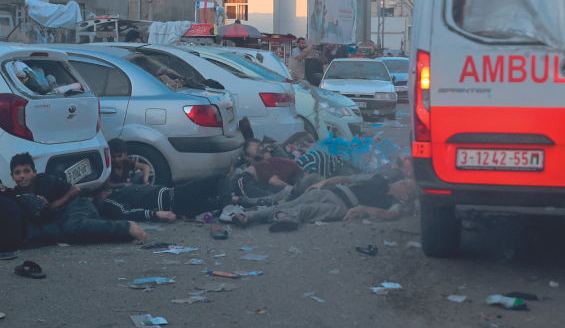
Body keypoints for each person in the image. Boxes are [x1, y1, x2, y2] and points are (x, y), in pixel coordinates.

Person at [4, 153, 146, 245]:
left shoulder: (44, 180)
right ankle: (121, 233)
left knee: (74, 227)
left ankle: (127, 227)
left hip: (78, 205)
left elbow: (76, 190)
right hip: (62, 219)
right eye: (17, 173)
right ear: (12, 176)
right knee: (63, 234)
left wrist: (51, 206)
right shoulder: (17, 195)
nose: (22, 176)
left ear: (34, 172)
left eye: (26, 171)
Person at [232, 174, 416, 232]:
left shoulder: (394, 202)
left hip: (343, 206)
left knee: (306, 209)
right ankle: (249, 217)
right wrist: (324, 182)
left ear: (406, 196)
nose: (403, 182)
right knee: (288, 204)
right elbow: (349, 178)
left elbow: (391, 215)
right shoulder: (380, 178)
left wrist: (362, 208)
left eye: (407, 185)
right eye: (405, 180)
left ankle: (288, 219)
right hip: (333, 191)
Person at [96, 175, 232, 220]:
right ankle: (229, 210)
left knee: (217, 202)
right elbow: (127, 213)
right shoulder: (110, 200)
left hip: (178, 202)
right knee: (220, 178)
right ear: (102, 196)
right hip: (175, 197)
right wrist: (157, 214)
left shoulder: (119, 193)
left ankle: (236, 205)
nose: (106, 191)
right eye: (104, 192)